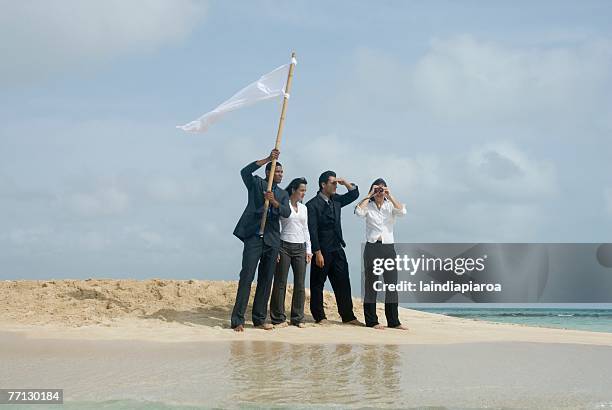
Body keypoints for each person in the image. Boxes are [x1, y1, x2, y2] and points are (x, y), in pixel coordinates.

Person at [230, 149, 291, 331]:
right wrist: (268, 159)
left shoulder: (282, 194)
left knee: (266, 280)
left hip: (272, 240)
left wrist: (274, 202)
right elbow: (244, 172)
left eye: (281, 172)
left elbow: (286, 212)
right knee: (247, 276)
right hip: (254, 237)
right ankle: (237, 320)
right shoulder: (256, 184)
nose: (280, 175)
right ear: (269, 173)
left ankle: (259, 318)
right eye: (277, 172)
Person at [306, 170, 363, 325]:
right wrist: (317, 252)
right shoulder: (311, 205)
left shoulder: (336, 200)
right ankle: (320, 317)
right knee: (318, 284)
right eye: (333, 183)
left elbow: (354, 195)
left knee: (343, 282)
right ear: (323, 185)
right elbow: (312, 230)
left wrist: (345, 183)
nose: (336, 185)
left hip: (337, 248)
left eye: (336, 183)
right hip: (322, 250)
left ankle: (348, 316)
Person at [355, 178, 408, 330]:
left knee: (391, 285)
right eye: (377, 189)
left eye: (382, 189)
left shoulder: (390, 205)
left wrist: (390, 195)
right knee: (371, 285)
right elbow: (358, 212)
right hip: (372, 248)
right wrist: (369, 194)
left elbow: (403, 211)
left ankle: (394, 321)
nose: (379, 192)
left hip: (388, 248)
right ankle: (371, 321)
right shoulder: (368, 205)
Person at [269, 177, 312, 328]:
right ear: (293, 190)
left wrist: (309, 249)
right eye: (301, 190)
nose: (303, 193)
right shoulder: (283, 205)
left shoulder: (304, 208)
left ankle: (297, 318)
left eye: (305, 191)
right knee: (280, 283)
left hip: (300, 248)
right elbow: (276, 227)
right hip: (283, 246)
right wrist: (276, 249)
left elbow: (306, 229)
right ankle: (278, 318)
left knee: (300, 284)